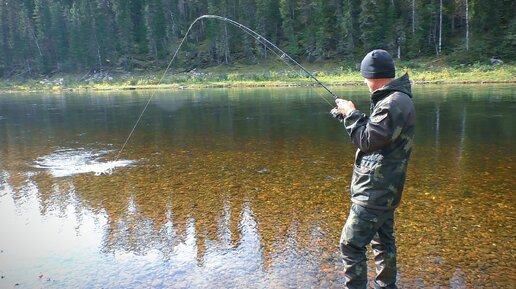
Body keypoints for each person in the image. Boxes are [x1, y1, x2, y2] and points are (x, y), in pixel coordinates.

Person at [331, 49, 415, 289]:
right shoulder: (396, 99)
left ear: (374, 76)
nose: (365, 82)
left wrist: (352, 114)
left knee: (351, 244)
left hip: (374, 191)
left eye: (365, 77)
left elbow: (368, 140)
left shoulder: (393, 103)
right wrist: (349, 118)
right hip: (385, 189)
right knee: (382, 241)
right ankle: (386, 286)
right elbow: (378, 136)